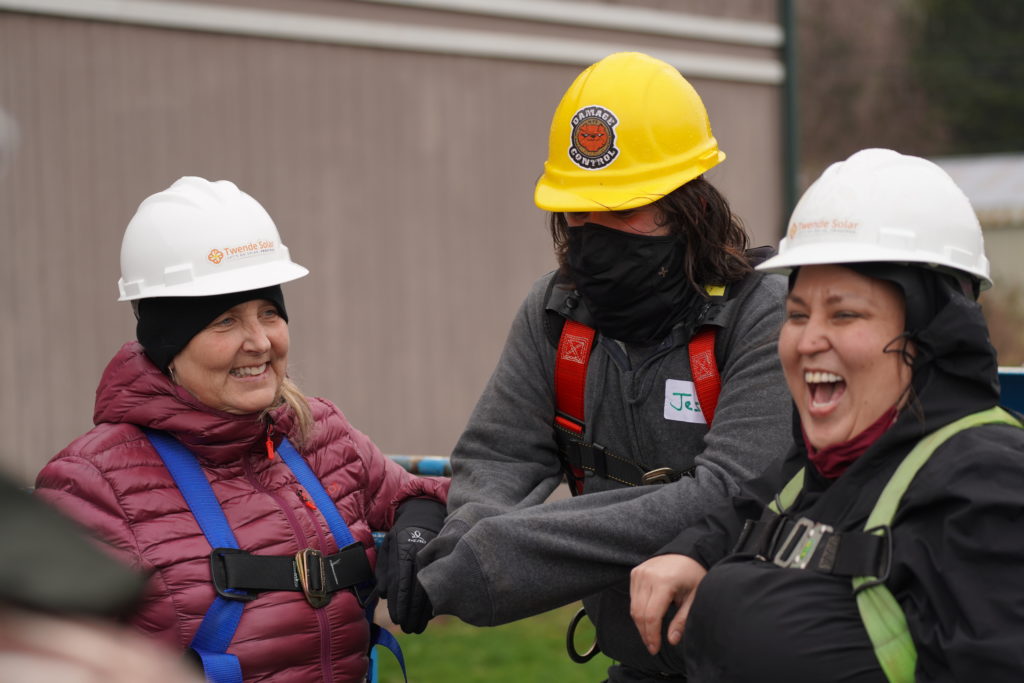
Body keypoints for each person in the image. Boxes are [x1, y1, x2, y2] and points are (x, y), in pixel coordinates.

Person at [407, 52, 794, 681]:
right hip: (636, 661)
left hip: (761, 663)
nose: (593, 233)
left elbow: (728, 494)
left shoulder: (766, 315)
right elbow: (502, 456)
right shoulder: (556, 314)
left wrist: (501, 555)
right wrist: (457, 539)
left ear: (688, 206)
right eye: (579, 212)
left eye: (621, 210)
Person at [629, 148, 1024, 681]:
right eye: (797, 314)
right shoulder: (822, 467)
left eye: (845, 313)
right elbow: (743, 513)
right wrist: (692, 553)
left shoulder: (986, 488)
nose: (808, 340)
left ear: (932, 329)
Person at [34, 177, 449, 682]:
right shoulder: (93, 485)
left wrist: (420, 520)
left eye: (269, 313)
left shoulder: (316, 434)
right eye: (224, 321)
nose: (259, 343)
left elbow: (422, 494)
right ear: (170, 342)